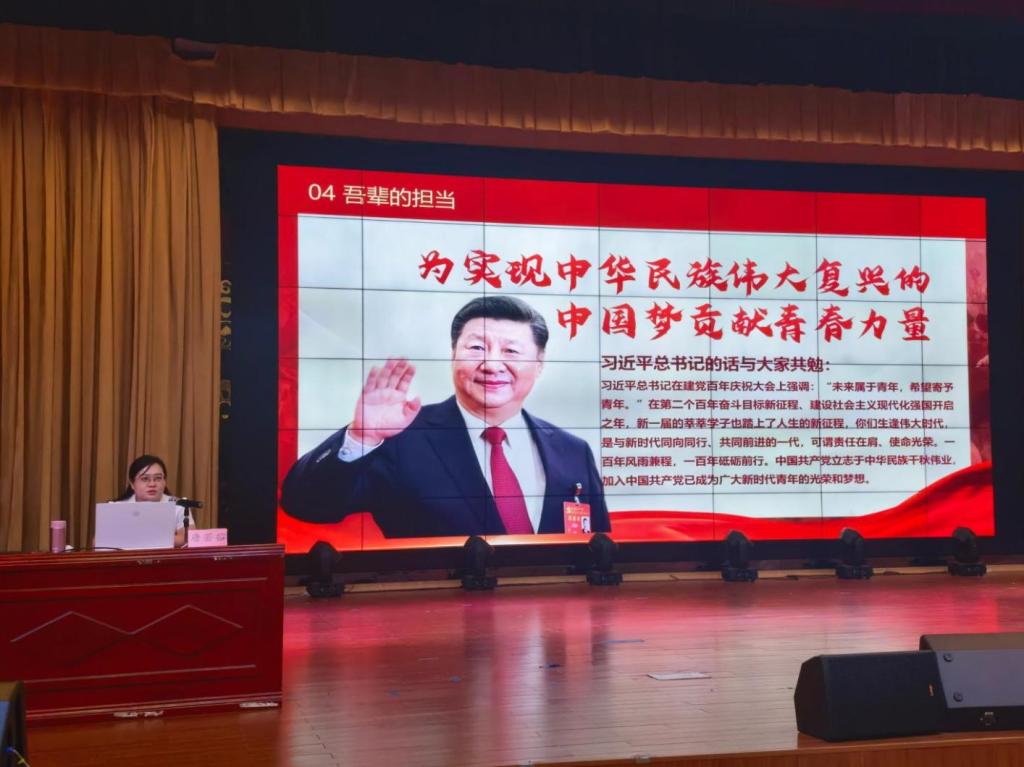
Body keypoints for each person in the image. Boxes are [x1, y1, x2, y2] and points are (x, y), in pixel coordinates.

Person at [281, 296, 610, 537]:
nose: (492, 365)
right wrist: (361, 437)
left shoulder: (572, 451)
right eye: (476, 348)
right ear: (453, 354)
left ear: (539, 364)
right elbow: (307, 505)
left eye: (511, 351)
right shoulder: (401, 439)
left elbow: (599, 549)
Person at [116, 454, 194, 547]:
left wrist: (139, 538)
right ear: (132, 484)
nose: (152, 484)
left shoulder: (179, 505)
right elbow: (103, 542)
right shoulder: (117, 508)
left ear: (164, 482)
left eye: (158, 478)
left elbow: (189, 538)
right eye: (145, 479)